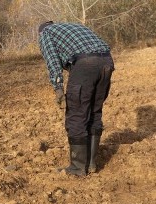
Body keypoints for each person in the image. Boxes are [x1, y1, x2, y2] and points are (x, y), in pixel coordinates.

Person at [38, 21, 114, 176]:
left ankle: (78, 167)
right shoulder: (73, 26)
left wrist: (58, 88)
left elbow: (52, 61)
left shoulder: (46, 33)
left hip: (85, 64)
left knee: (76, 114)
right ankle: (92, 163)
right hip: (107, 62)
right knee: (95, 111)